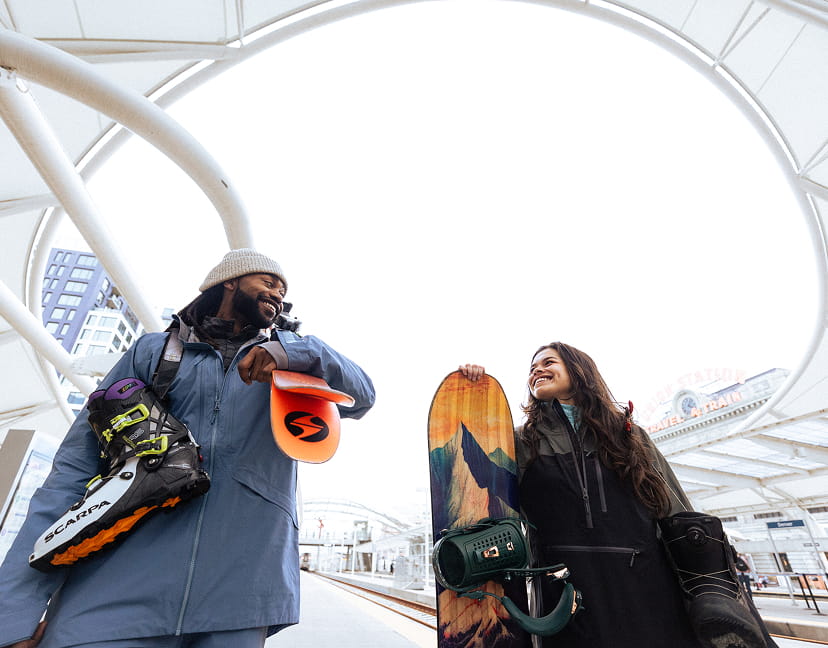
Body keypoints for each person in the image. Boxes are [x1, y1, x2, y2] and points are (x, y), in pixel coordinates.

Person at [0, 248, 375, 648]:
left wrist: (293, 351)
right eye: (268, 282)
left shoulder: (297, 364)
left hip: (238, 601)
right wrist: (13, 614)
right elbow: (72, 473)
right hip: (109, 595)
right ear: (228, 281)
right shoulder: (152, 353)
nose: (278, 294)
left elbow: (363, 394)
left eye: (283, 290)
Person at [460, 342, 775, 648]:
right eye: (532, 368)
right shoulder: (523, 442)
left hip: (647, 587)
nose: (537, 371)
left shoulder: (627, 434)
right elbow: (485, 481)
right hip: (566, 596)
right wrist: (473, 396)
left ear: (579, 371)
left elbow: (672, 507)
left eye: (548, 362)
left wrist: (706, 574)